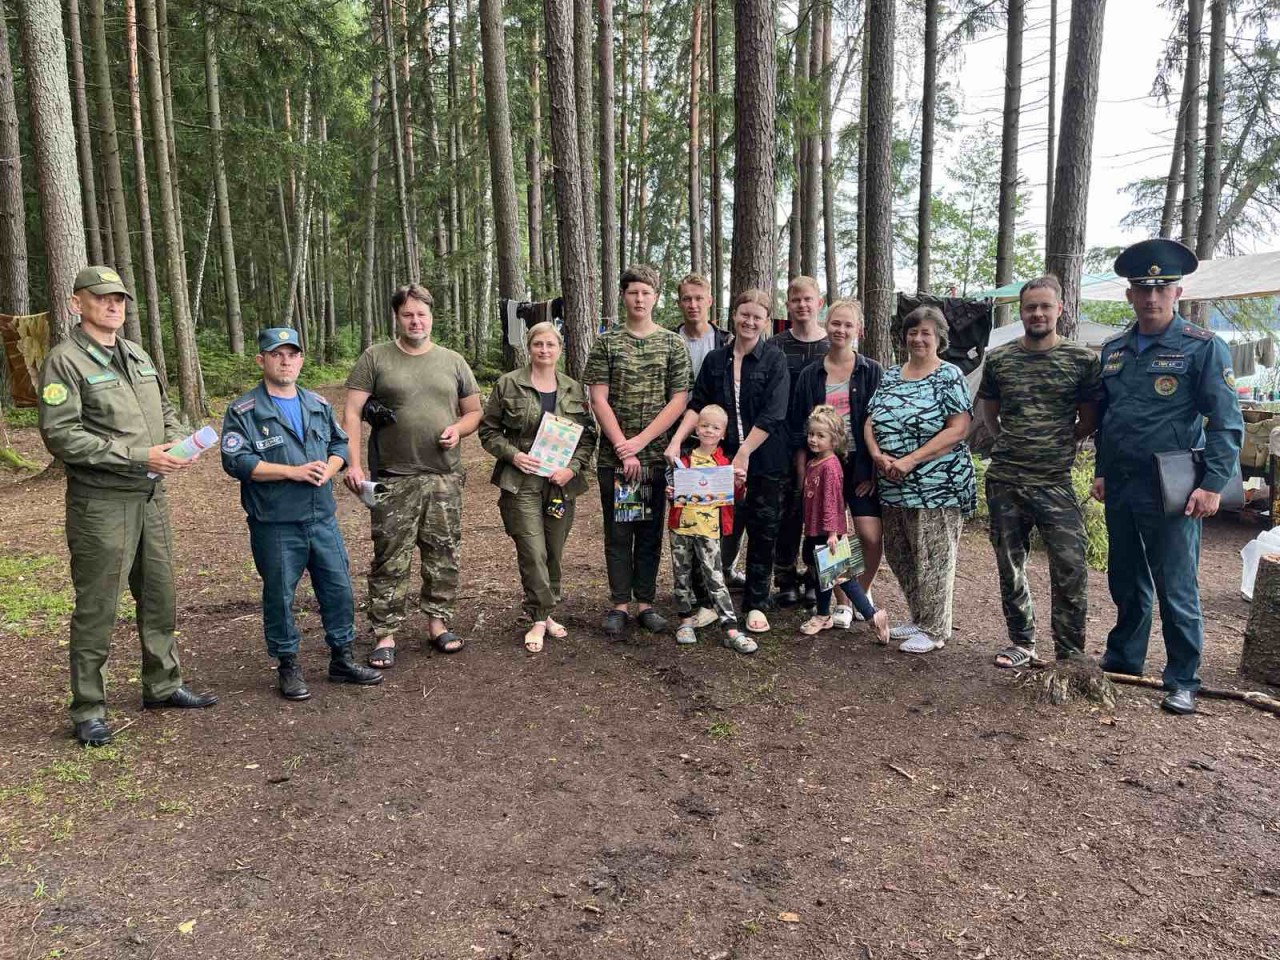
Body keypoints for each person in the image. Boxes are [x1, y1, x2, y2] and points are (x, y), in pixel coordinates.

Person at [38, 266, 217, 747]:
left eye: (118, 298)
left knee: (159, 596)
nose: (113, 305)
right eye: (101, 297)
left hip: (151, 496)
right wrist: (139, 455)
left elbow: (166, 411)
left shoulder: (137, 354)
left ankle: (163, 685)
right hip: (102, 504)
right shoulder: (65, 361)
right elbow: (62, 436)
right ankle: (88, 708)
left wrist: (178, 441)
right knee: (98, 606)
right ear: (76, 303)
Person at [1092, 239, 1244, 716]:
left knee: (1176, 584)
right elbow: (1108, 419)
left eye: (1162, 289)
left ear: (1178, 293)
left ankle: (1183, 677)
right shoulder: (1114, 350)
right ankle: (1125, 659)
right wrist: (1101, 471)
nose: (1152, 297)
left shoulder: (1202, 347)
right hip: (1122, 483)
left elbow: (1226, 421)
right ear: (1130, 295)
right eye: (1143, 289)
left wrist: (1212, 484)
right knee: (1126, 577)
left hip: (1173, 485)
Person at [221, 329, 383, 699]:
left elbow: (339, 443)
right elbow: (237, 461)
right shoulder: (245, 411)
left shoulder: (316, 404)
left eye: (292, 354)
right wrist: (292, 472)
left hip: (321, 517)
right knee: (280, 595)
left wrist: (331, 468)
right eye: (276, 354)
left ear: (301, 360)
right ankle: (288, 664)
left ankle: (341, 658)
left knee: (338, 588)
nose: (286, 361)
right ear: (261, 360)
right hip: (276, 522)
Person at [342, 283, 482, 665]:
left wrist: (459, 429)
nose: (415, 321)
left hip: (443, 476)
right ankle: (385, 634)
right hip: (393, 477)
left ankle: (438, 623)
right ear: (397, 317)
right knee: (390, 556)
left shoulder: (453, 361)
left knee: (443, 552)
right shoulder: (375, 358)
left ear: (431, 317)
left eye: (421, 314)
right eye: (408, 314)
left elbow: (474, 412)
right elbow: (351, 412)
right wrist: (353, 463)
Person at [978, 276, 1103, 669]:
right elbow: (989, 410)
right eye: (1030, 307)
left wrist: (1061, 441)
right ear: (1021, 311)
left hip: (1054, 482)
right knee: (1010, 564)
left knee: (1070, 566)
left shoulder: (1081, 360)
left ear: (1059, 309)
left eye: (1045, 306)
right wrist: (1007, 440)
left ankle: (1069, 652)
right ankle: (1022, 641)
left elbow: (1089, 418)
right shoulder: (1000, 359)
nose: (1038, 313)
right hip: (1006, 479)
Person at [665, 289, 791, 634]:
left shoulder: (774, 360)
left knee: (763, 530)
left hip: (764, 459)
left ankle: (756, 603)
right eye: (744, 314)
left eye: (757, 317)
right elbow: (698, 405)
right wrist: (677, 441)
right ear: (733, 315)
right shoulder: (715, 360)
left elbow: (774, 413)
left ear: (766, 322)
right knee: (712, 528)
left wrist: (744, 454)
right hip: (718, 461)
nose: (750, 322)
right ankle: (708, 601)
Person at [584, 264, 692, 638]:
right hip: (617, 458)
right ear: (623, 296)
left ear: (656, 297)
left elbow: (678, 400)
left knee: (648, 531)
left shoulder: (671, 344)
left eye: (646, 292)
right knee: (619, 532)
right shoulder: (607, 343)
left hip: (653, 456)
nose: (639, 299)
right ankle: (619, 604)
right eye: (633, 292)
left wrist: (642, 443)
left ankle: (645, 602)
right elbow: (598, 398)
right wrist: (623, 448)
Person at [479, 321, 598, 653]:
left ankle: (547, 612)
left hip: (559, 484)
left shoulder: (574, 389)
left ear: (560, 349)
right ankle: (538, 617)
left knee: (553, 551)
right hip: (522, 483)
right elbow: (488, 431)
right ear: (529, 348)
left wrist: (572, 469)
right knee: (532, 550)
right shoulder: (508, 384)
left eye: (550, 344)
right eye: (538, 344)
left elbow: (588, 438)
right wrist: (513, 455)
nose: (544, 350)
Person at [865, 305, 976, 654]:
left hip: (937, 486)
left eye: (926, 332)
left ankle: (935, 628)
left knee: (934, 557)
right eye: (912, 332)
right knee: (901, 554)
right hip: (893, 485)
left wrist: (910, 460)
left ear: (939, 338)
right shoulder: (892, 374)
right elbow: (870, 419)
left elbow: (958, 428)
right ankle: (920, 616)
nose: (918, 338)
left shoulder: (949, 375)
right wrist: (876, 454)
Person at [788, 299, 884, 628]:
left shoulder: (871, 370)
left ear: (859, 330)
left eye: (848, 325)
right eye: (835, 323)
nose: (840, 330)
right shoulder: (810, 374)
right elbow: (799, 427)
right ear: (826, 324)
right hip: (823, 462)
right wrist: (802, 473)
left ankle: (862, 591)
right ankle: (842, 603)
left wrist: (873, 470)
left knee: (869, 535)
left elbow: (879, 422)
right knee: (829, 535)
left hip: (859, 463)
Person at [664, 405, 754, 654]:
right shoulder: (683, 459)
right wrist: (670, 493)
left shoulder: (725, 463)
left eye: (715, 428)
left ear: (723, 433)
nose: (709, 431)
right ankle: (685, 621)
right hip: (681, 528)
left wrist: (739, 484)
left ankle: (731, 628)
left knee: (715, 577)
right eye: (704, 425)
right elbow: (674, 492)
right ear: (696, 428)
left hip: (709, 529)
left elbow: (732, 497)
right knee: (681, 575)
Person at [798, 406, 889, 643]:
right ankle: (823, 615)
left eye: (821, 436)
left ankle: (873, 615)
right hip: (817, 529)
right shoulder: (814, 462)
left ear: (835, 440)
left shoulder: (830, 466)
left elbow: (832, 502)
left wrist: (832, 534)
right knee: (824, 576)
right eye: (811, 434)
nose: (813, 439)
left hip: (829, 532)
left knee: (843, 578)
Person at [772, 276, 830, 607]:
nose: (802, 305)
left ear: (819, 303)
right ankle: (785, 577)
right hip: (783, 442)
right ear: (788, 305)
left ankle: (815, 577)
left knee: (821, 513)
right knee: (788, 512)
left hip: (824, 446)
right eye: (796, 300)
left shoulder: (832, 344)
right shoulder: (776, 345)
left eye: (808, 299)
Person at [674, 273, 729, 380]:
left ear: (709, 301)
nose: (693, 305)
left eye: (699, 298)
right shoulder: (668, 341)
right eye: (687, 299)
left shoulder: (726, 341)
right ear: (679, 303)